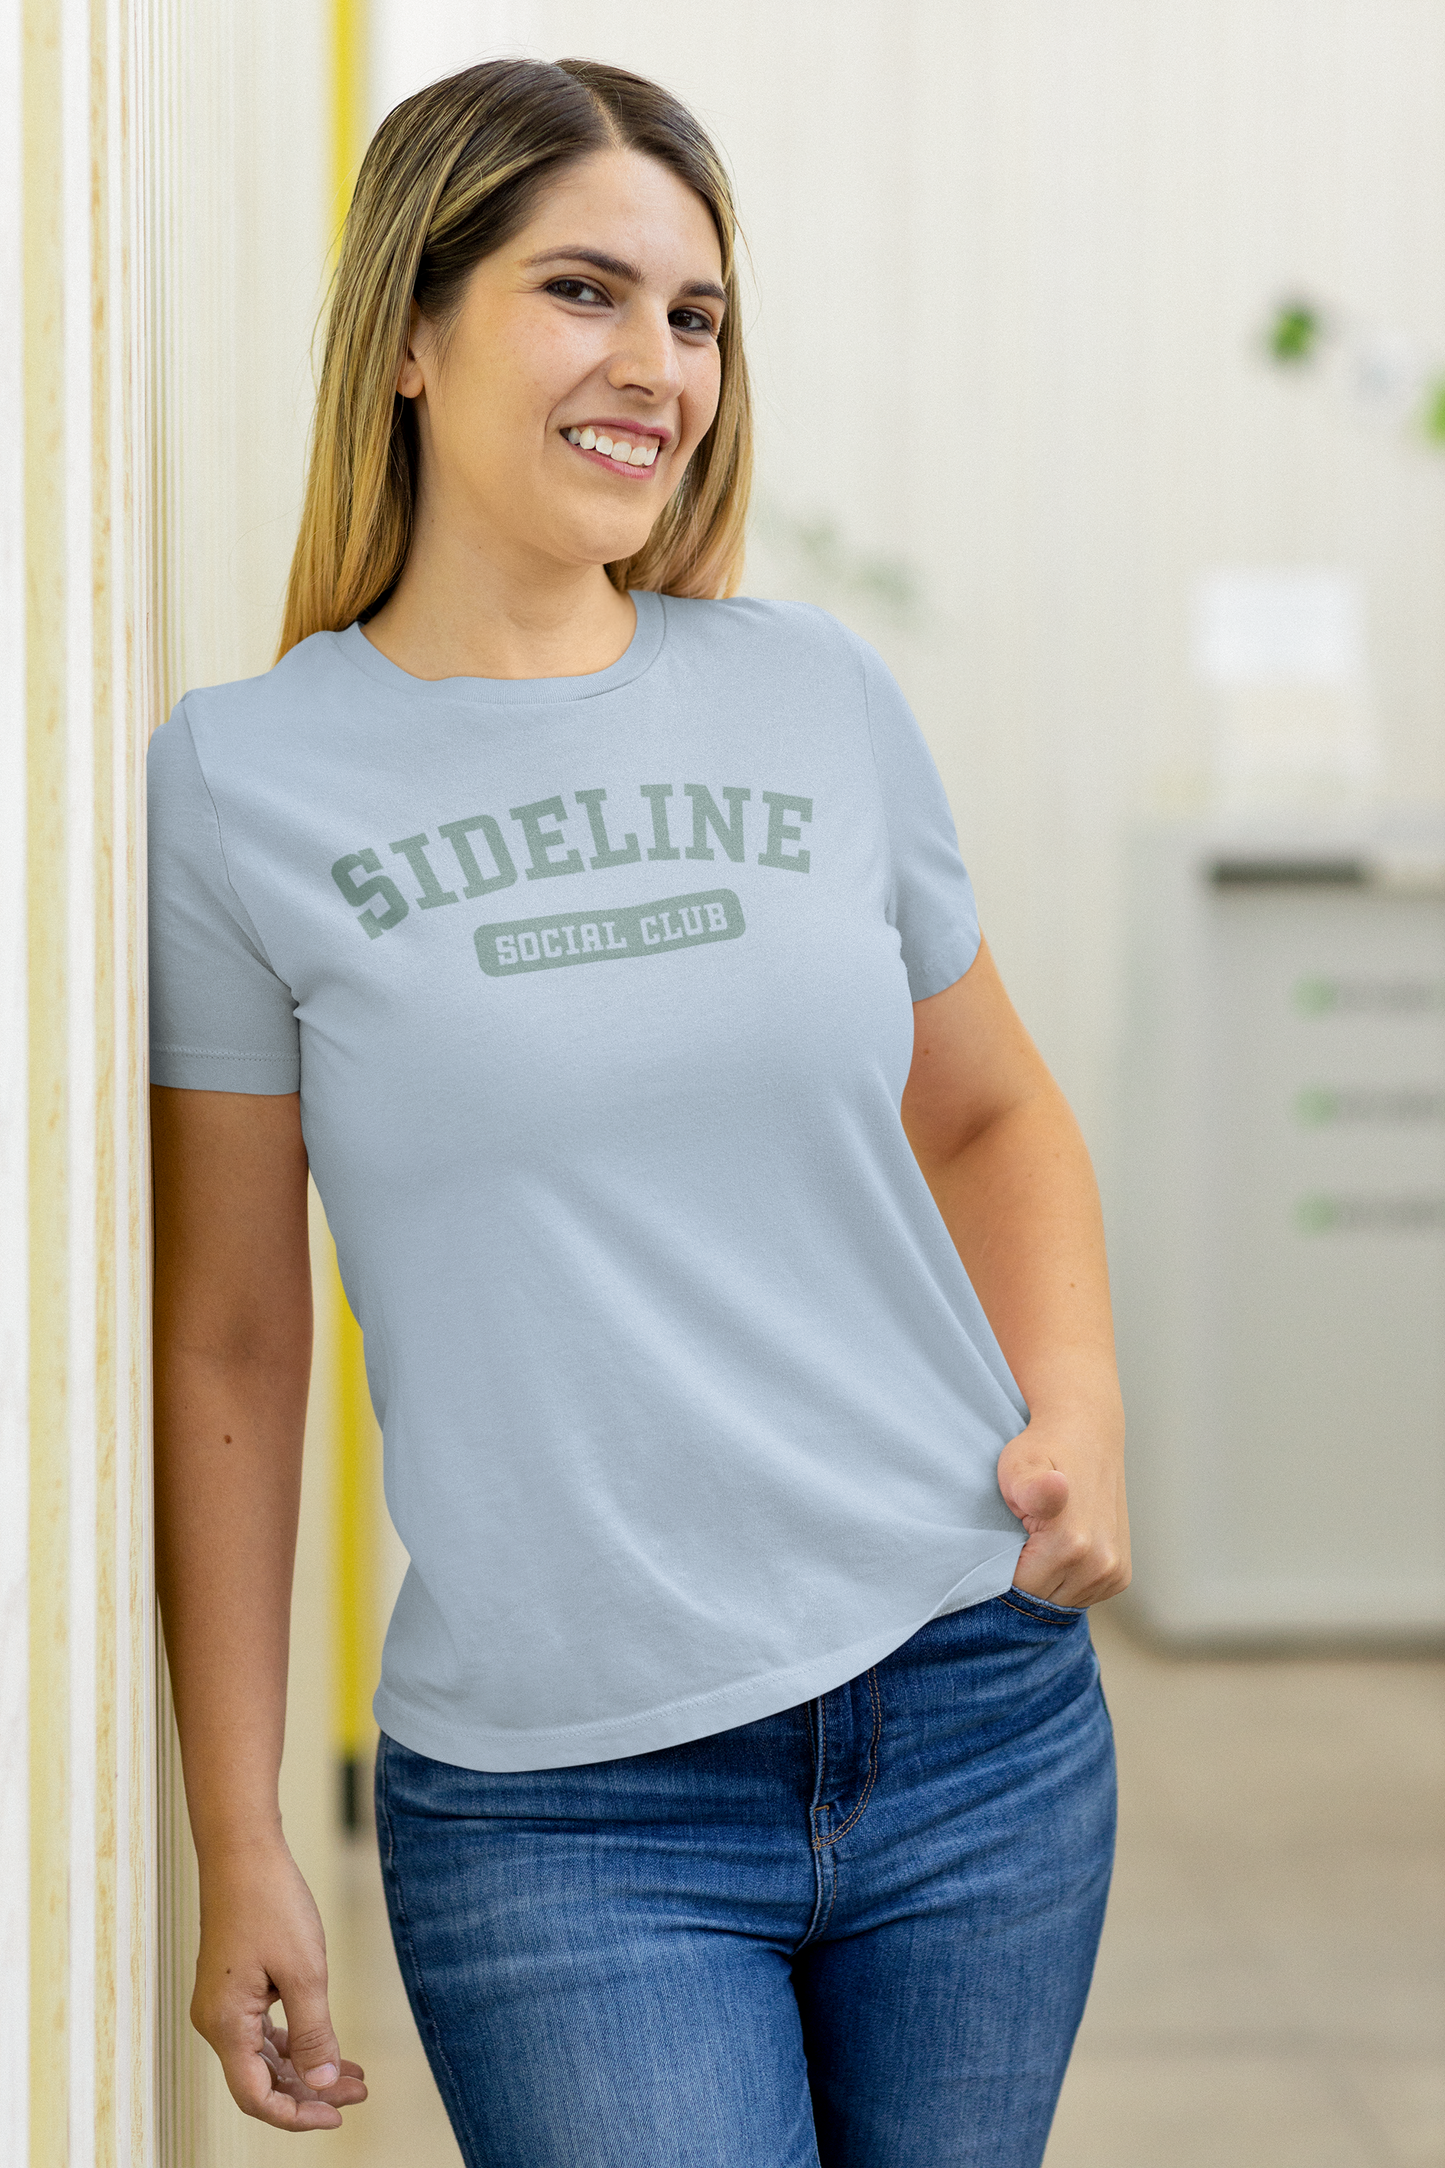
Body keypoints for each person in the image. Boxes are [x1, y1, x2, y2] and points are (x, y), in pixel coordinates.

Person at [149, 55, 1129, 2168]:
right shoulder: (239, 785)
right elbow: (228, 1333)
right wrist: (240, 1832)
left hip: (969, 1713)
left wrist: (1076, 1408)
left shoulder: (809, 697)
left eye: (691, 316)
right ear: (409, 334)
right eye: (582, 292)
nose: (654, 365)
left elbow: (985, 1112)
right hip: (563, 1811)